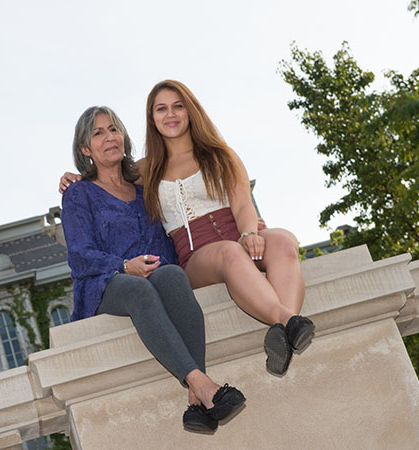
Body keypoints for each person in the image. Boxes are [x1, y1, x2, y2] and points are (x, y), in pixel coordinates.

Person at [60, 81, 315, 376]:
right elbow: (107, 176)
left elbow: (243, 203)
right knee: (230, 253)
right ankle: (288, 320)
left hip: (236, 234)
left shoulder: (221, 154)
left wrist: (249, 233)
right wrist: (76, 177)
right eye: (161, 108)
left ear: (191, 111)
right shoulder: (145, 169)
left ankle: (284, 333)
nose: (171, 114)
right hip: (197, 254)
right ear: (152, 118)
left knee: (284, 240)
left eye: (178, 106)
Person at [61, 105, 245, 434]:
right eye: (98, 133)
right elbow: (79, 255)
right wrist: (122, 266)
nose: (109, 137)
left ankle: (197, 396)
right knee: (138, 289)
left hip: (153, 272)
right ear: (85, 150)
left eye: (113, 129)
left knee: (173, 274)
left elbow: (177, 228)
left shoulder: (146, 187)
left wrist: (243, 230)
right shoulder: (79, 194)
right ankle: (202, 384)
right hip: (104, 282)